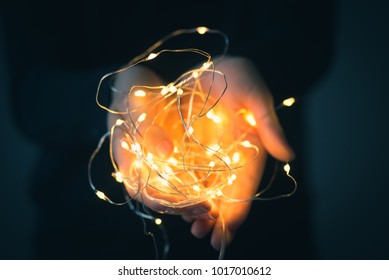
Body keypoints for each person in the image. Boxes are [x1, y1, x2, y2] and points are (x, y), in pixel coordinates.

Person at [2, 0, 334, 259]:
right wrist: (113, 93)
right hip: (82, 243)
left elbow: (306, 34)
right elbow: (31, 89)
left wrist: (258, 67)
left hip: (266, 241)